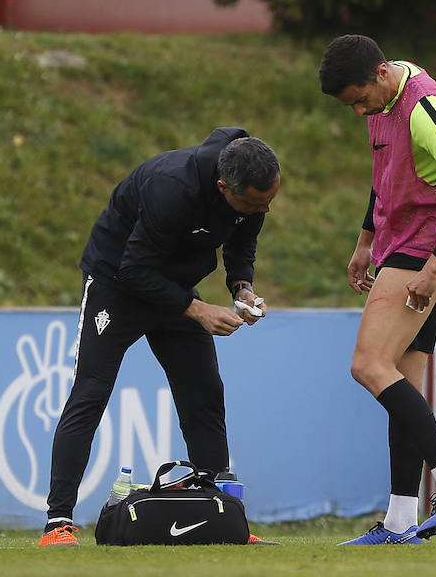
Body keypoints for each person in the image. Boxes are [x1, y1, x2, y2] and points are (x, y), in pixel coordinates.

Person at [38, 128, 280, 547]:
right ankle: (58, 522)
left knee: (204, 392)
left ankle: (220, 515)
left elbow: (243, 241)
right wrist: (198, 309)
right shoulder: (171, 188)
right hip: (118, 281)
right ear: (223, 187)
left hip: (174, 285)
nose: (265, 208)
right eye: (257, 203)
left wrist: (242, 287)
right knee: (91, 392)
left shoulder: (250, 187)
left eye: (269, 200)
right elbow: (134, 269)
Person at [319, 35, 436, 545]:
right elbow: (384, 177)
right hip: (403, 248)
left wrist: (433, 267)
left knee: (368, 366)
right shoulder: (381, 101)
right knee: (402, 386)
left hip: (425, 252)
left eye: (357, 99)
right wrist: (363, 243)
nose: (357, 111)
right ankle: (398, 521)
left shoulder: (425, 107)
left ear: (378, 74)